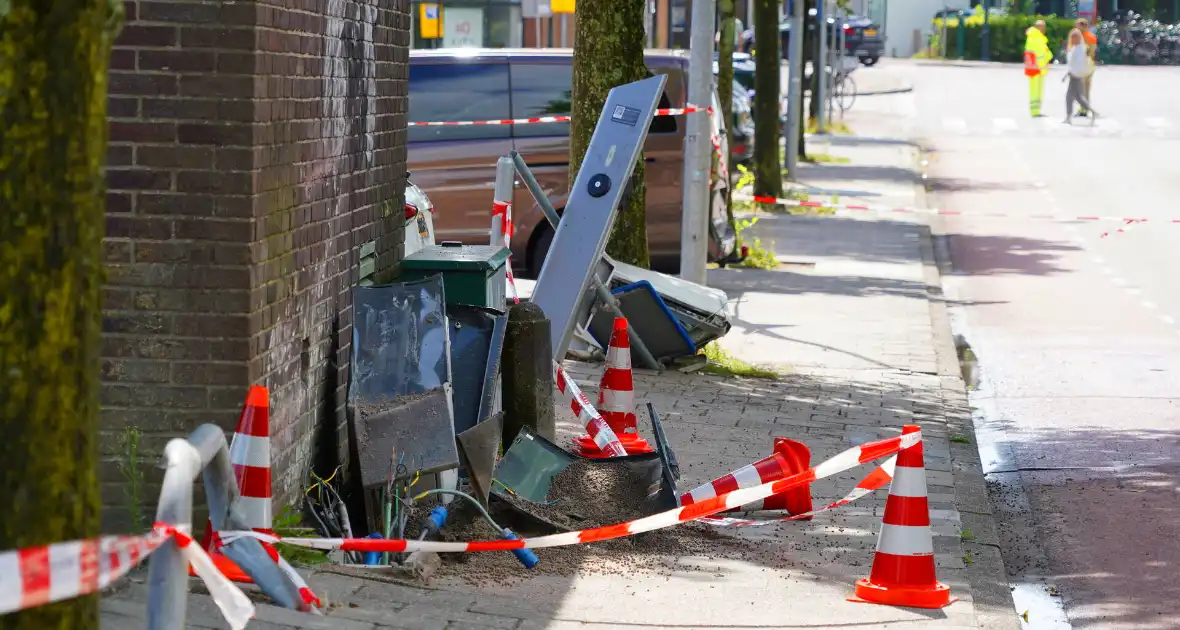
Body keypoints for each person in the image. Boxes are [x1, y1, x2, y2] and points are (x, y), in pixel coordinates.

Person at [1063, 28, 1099, 123]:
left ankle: (1068, 117)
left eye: (1075, 37)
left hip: (1076, 75)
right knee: (1079, 97)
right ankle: (1092, 112)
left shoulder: (1080, 49)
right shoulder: (1077, 48)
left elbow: (1078, 63)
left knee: (1069, 97)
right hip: (1075, 74)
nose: (1073, 39)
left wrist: (1071, 72)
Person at [1023, 20, 1052, 117]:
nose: (1044, 29)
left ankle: (1035, 110)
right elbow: (1041, 54)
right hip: (1037, 68)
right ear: (1038, 27)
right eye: (1043, 27)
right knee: (1036, 91)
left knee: (1035, 90)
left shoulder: (1034, 36)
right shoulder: (1037, 37)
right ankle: (1035, 111)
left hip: (1034, 67)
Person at [1074, 18, 1098, 117]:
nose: (1077, 28)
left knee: (1084, 88)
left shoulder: (1089, 37)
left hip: (1086, 65)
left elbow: (1091, 52)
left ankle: (1084, 109)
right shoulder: (1079, 36)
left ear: (1084, 26)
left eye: (1079, 26)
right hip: (1082, 65)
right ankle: (1083, 108)